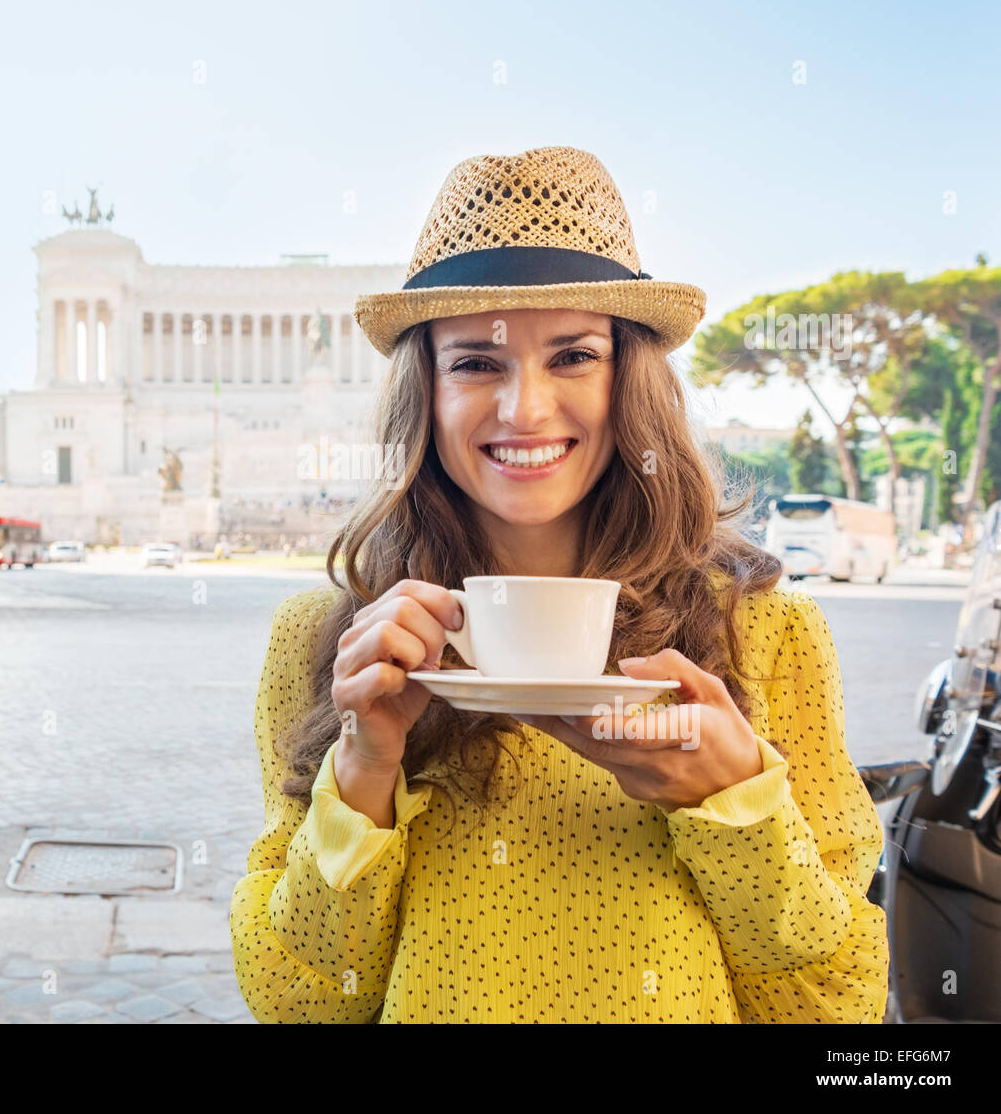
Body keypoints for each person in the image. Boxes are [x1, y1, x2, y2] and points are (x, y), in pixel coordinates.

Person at [230, 146, 888, 1024]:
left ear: (632, 378)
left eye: (572, 355)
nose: (525, 409)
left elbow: (834, 1007)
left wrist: (739, 808)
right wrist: (364, 769)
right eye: (476, 363)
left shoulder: (764, 631)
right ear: (424, 388)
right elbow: (300, 1005)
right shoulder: (330, 641)